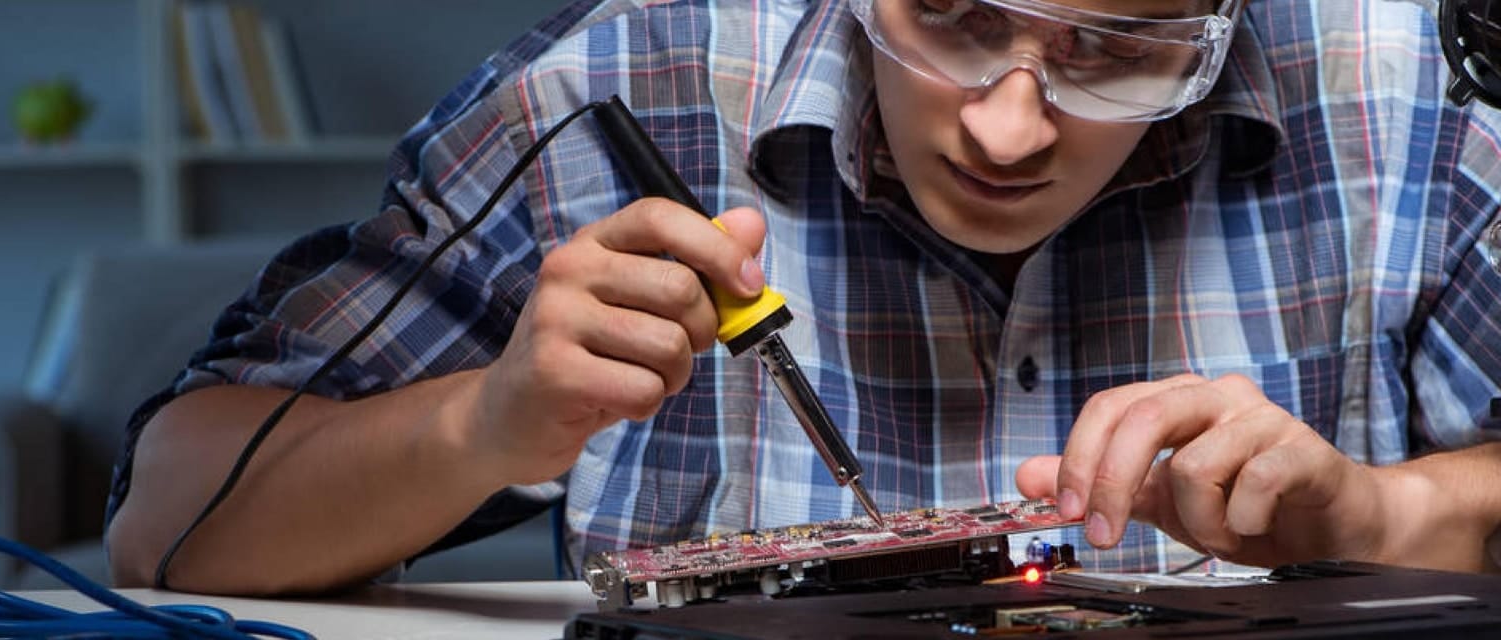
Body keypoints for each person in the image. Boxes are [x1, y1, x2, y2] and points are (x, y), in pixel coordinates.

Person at [105, 0, 1501, 595]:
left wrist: (1379, 515)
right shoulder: (617, 84)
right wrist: (489, 425)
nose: (1010, 131)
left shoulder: (1401, 86)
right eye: (950, 15)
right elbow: (164, 521)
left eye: (1118, 51)